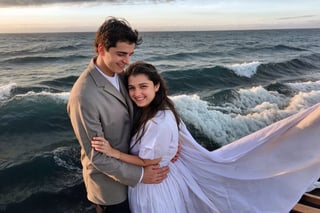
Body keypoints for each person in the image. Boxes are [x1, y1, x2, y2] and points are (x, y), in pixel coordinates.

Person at [92, 61, 320, 213]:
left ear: (156, 85)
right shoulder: (159, 110)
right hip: (163, 182)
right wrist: (172, 148)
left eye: (143, 86)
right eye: (131, 88)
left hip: (153, 187)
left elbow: (149, 161)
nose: (136, 93)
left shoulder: (157, 120)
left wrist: (113, 152)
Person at [67, 18, 169, 213]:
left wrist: (170, 140)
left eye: (130, 54)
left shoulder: (122, 76)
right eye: (121, 54)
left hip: (136, 169)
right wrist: (140, 175)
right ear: (101, 49)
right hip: (110, 188)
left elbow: (145, 106)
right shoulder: (84, 96)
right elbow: (98, 157)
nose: (127, 61)